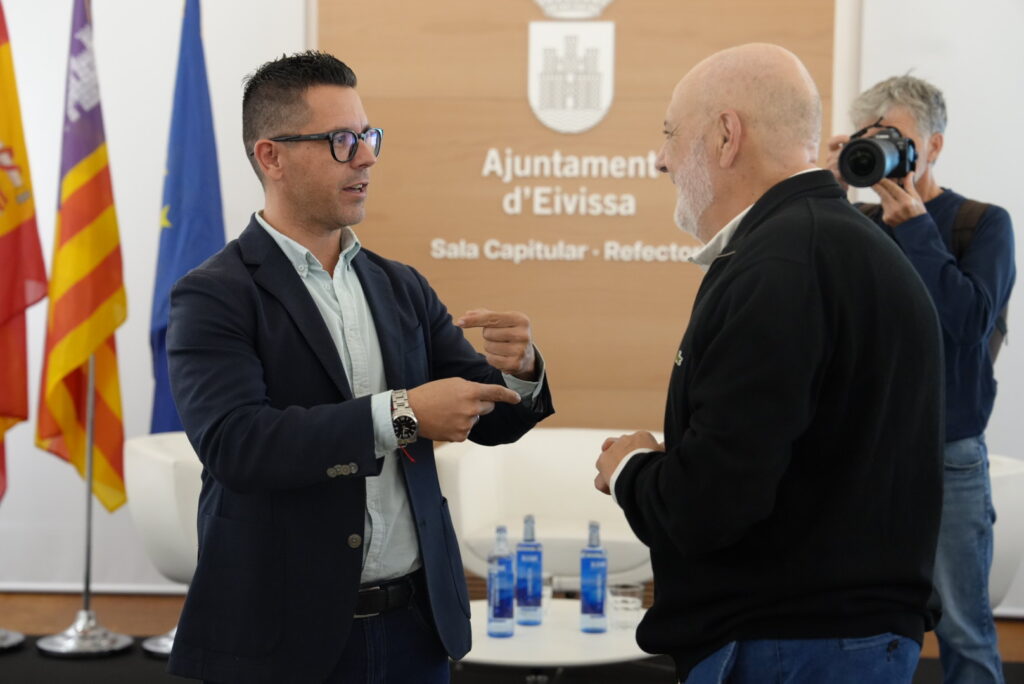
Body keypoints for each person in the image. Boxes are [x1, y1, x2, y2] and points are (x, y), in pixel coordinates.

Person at [165, 51, 553, 684]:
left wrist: (519, 371)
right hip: (280, 643)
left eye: (368, 137)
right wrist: (400, 416)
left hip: (415, 631)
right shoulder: (213, 295)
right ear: (272, 156)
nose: (367, 157)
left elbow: (489, 420)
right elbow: (238, 446)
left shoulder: (401, 287)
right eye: (341, 140)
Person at [594, 44, 945, 683]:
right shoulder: (843, 246)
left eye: (672, 135)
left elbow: (712, 505)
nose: (661, 158)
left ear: (727, 135)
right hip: (835, 639)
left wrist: (631, 470)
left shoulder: (781, 266)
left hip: (786, 647)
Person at [826, 75, 1016, 683]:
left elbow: (967, 322)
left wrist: (914, 225)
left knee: (964, 629)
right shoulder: (850, 222)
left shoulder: (980, 224)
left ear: (932, 147)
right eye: (870, 140)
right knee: (860, 625)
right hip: (864, 452)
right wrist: (822, 194)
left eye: (898, 140)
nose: (884, 154)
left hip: (948, 454)